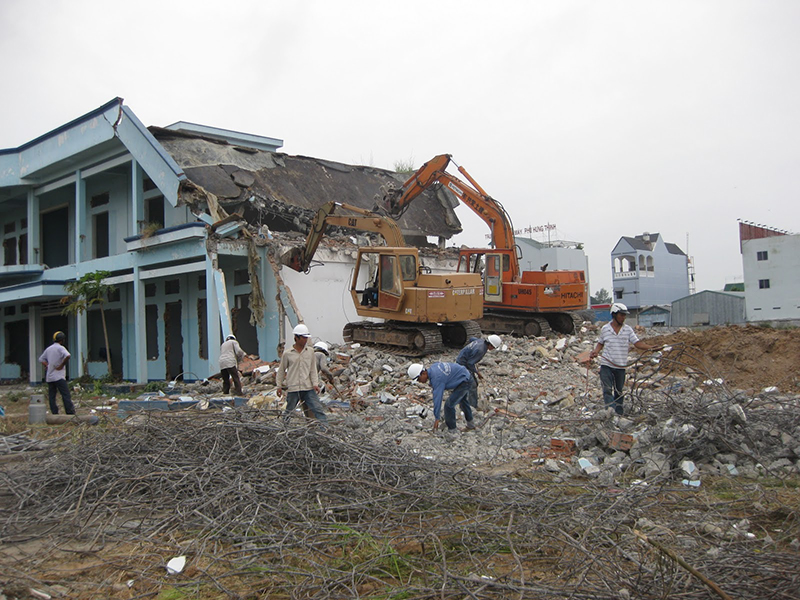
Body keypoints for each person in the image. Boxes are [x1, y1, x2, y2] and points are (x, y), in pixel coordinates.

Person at [588, 303, 659, 415]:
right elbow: (600, 343)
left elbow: (637, 343)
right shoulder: (605, 329)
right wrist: (595, 352)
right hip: (606, 365)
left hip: (620, 366)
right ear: (614, 315)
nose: (623, 317)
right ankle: (610, 412)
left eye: (624, 315)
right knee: (607, 390)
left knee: (618, 391)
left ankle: (619, 413)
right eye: (621, 315)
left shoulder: (628, 330)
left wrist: (650, 348)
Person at [276, 324, 327, 423]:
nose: (305, 340)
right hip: (293, 388)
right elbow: (281, 370)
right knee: (289, 412)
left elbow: (312, 370)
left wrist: (315, 384)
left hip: (307, 388)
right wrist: (278, 386)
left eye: (306, 338)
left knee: (318, 410)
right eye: (303, 338)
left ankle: (325, 430)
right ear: (296, 338)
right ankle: (284, 430)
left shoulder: (310, 352)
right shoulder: (287, 354)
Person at [407, 362, 474, 434]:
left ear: (423, 373)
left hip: (465, 381)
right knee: (463, 401)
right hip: (464, 375)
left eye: (418, 379)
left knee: (449, 405)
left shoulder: (437, 378)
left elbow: (437, 398)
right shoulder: (433, 368)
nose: (419, 382)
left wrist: (437, 417)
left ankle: (452, 431)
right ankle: (471, 425)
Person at [456, 334, 502, 408]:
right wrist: (477, 373)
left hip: (464, 359)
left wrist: (470, 351)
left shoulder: (480, 341)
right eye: (493, 347)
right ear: (490, 345)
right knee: (472, 385)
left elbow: (471, 339)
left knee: (474, 383)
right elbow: (470, 363)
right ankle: (472, 406)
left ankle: (466, 400)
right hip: (463, 364)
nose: (493, 349)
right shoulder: (480, 350)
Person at [39, 331, 75, 415]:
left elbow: (41, 359)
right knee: (65, 395)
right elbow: (68, 355)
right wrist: (62, 364)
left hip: (50, 377)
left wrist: (47, 365)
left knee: (52, 396)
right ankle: (70, 413)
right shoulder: (60, 348)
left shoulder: (49, 349)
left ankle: (54, 413)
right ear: (62, 340)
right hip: (59, 376)